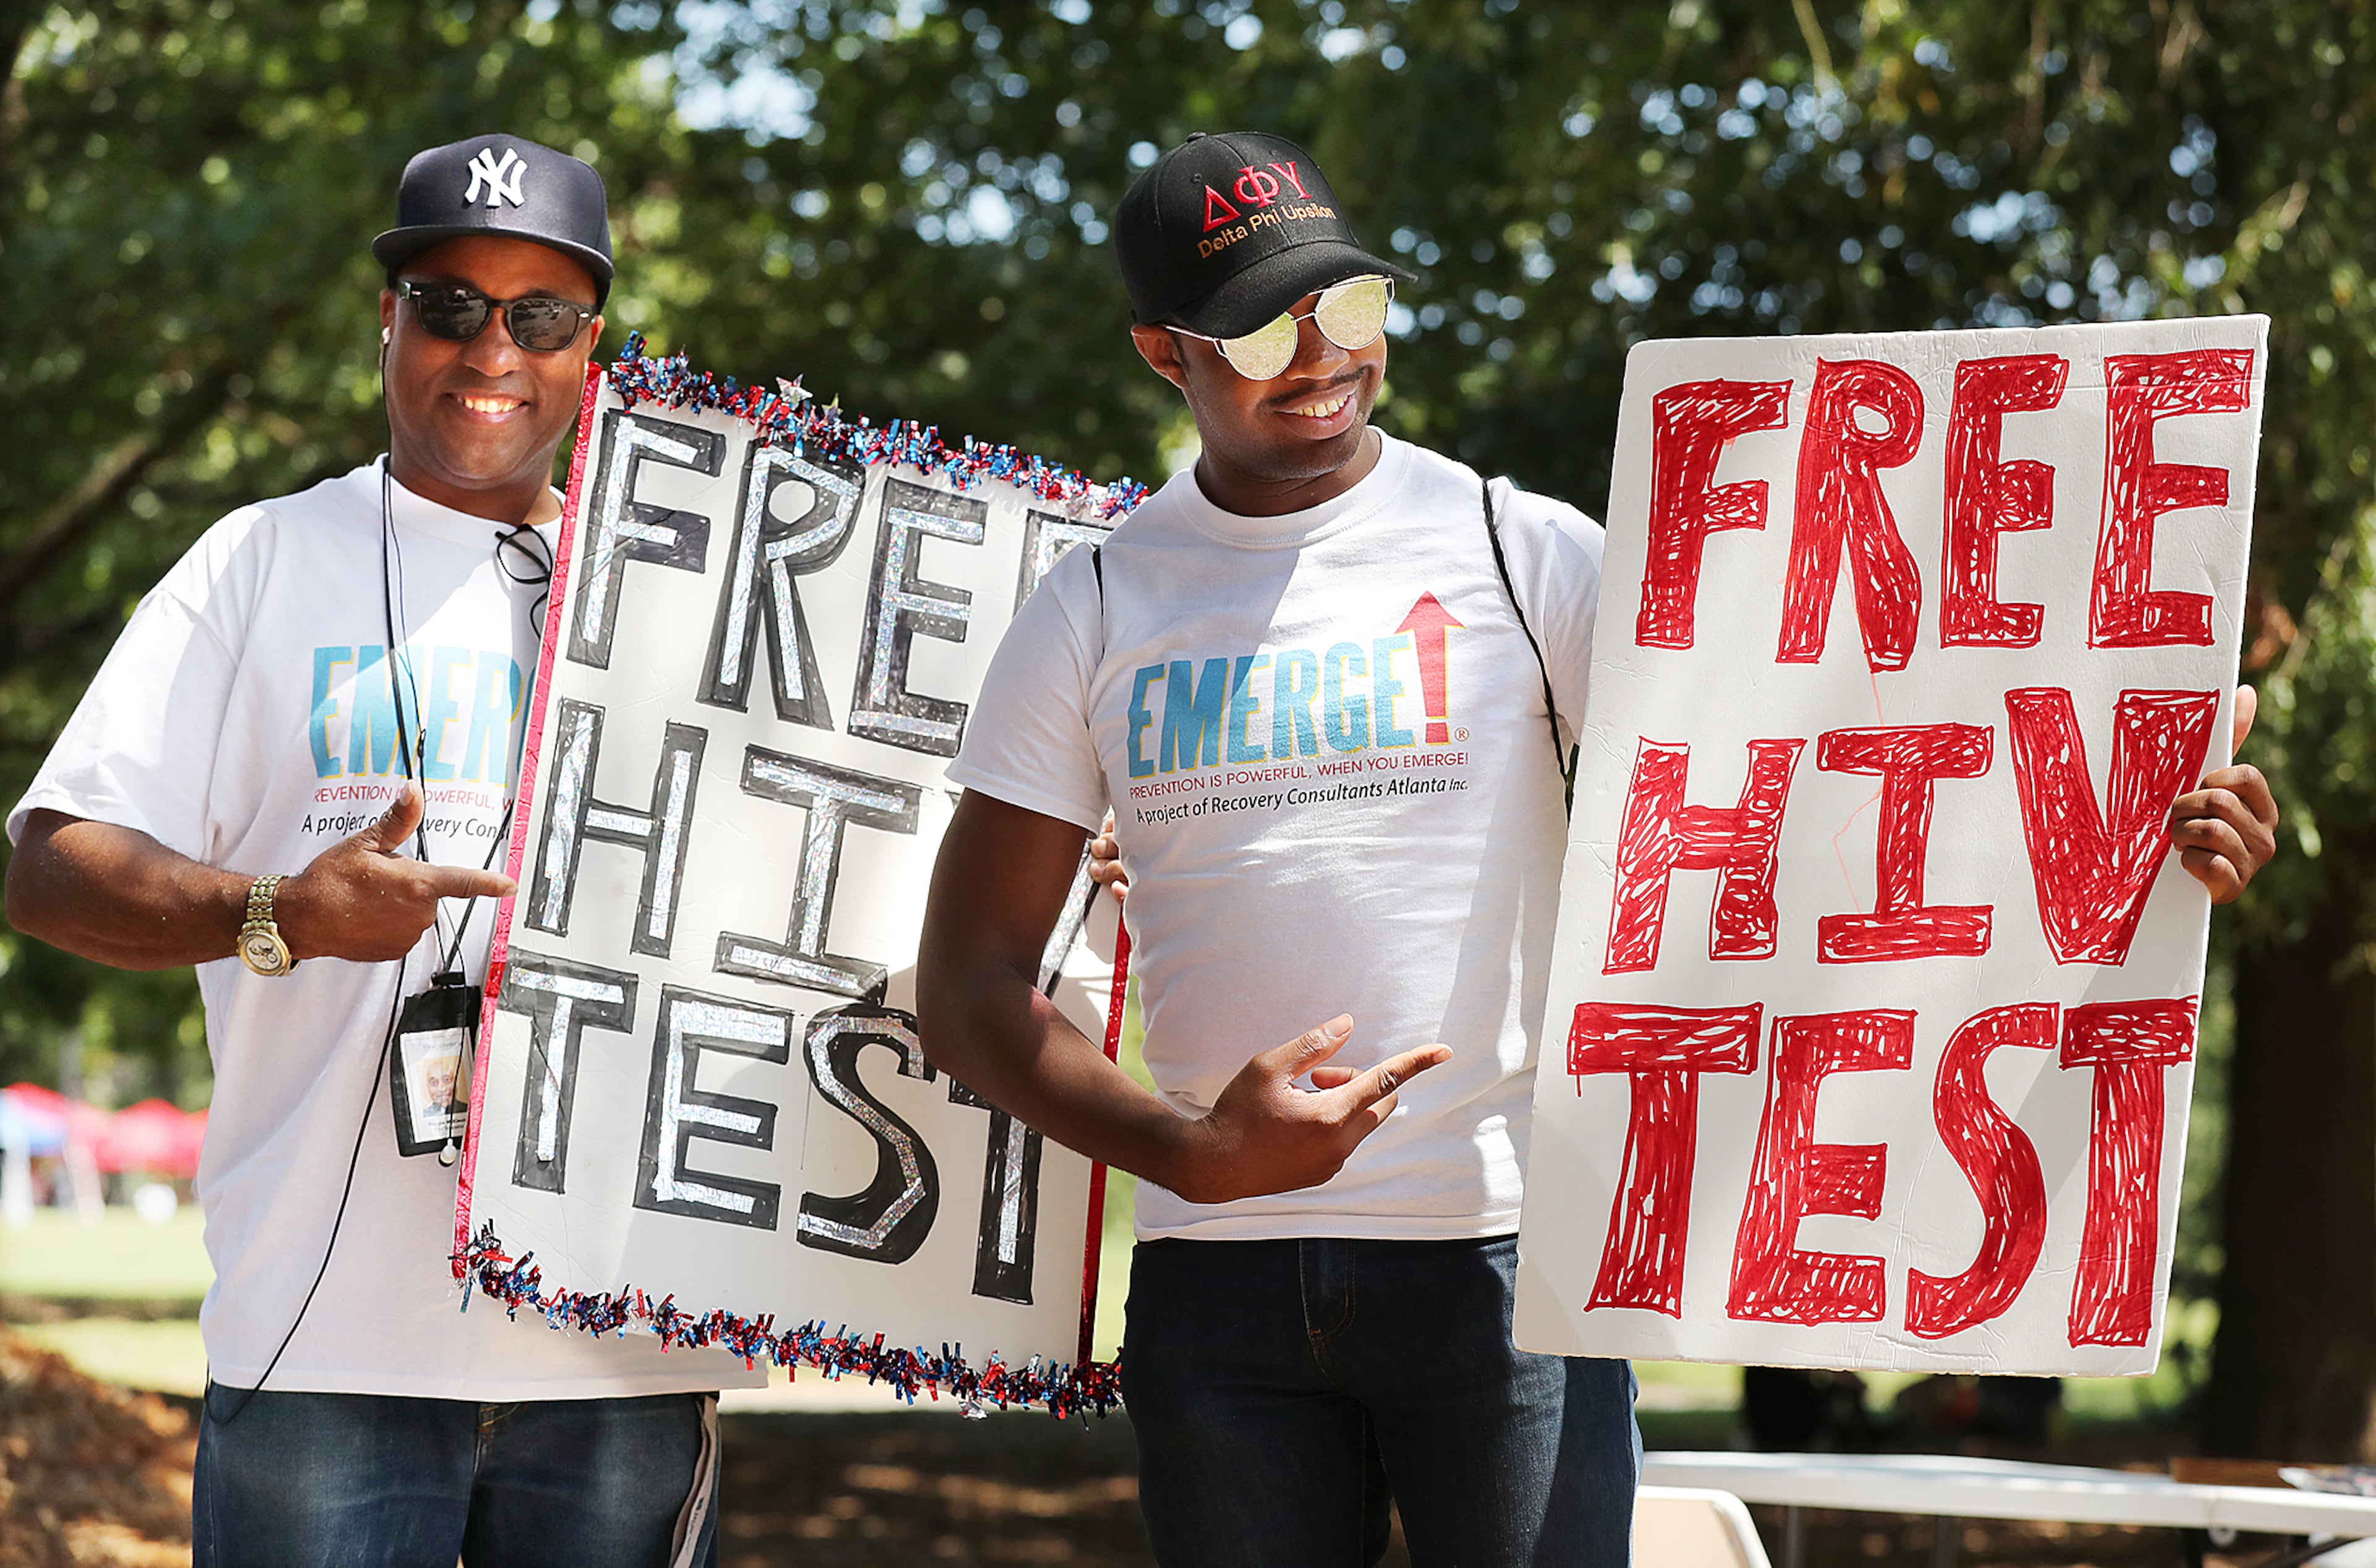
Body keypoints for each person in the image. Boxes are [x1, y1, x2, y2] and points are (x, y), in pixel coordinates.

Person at [915, 130, 2279, 1568]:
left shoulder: (1521, 548)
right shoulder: (1095, 604)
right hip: (1220, 1303)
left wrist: (2134, 823)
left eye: (1353, 306)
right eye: (1262, 326)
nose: (1323, 353)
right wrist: (1191, 1153)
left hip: (1515, 1276)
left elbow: (1836, 768)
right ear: (1162, 353)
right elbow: (970, 979)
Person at [5, 134, 759, 1567]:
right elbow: (49, 863)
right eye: (449, 302)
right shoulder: (259, 559)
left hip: (618, 1347)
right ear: (388, 321)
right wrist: (276, 909)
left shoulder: (700, 592)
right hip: (324, 1344)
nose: (495, 346)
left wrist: (1065, 899)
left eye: (542, 314)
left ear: (592, 345)